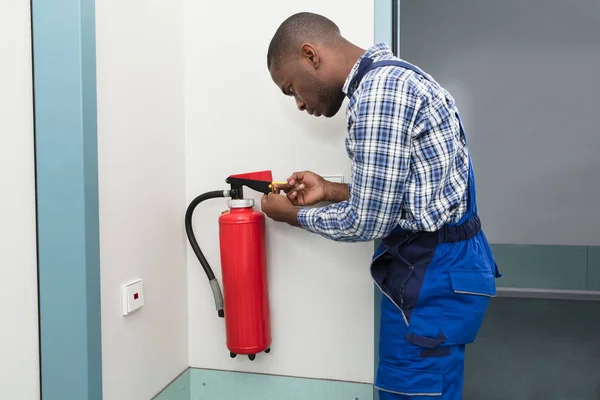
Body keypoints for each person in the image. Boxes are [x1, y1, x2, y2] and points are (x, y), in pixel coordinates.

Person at [261, 12, 501, 400]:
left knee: (412, 390)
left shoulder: (379, 94)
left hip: (431, 278)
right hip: (443, 268)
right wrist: (330, 190)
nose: (299, 105)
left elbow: (367, 221)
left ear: (310, 54)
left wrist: (296, 216)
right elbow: (406, 193)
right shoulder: (395, 75)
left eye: (291, 88)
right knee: (431, 387)